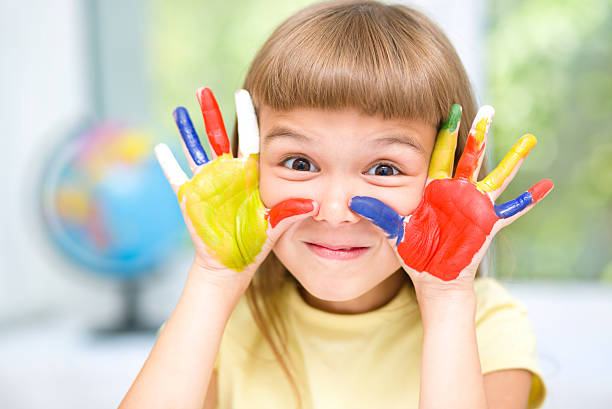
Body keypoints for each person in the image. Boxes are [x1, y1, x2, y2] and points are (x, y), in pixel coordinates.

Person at [119, 1, 552, 408]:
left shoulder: (486, 328)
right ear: (248, 170)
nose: (334, 210)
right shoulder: (219, 323)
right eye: (300, 163)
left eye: (384, 169)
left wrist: (445, 299)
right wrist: (213, 280)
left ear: (452, 177)